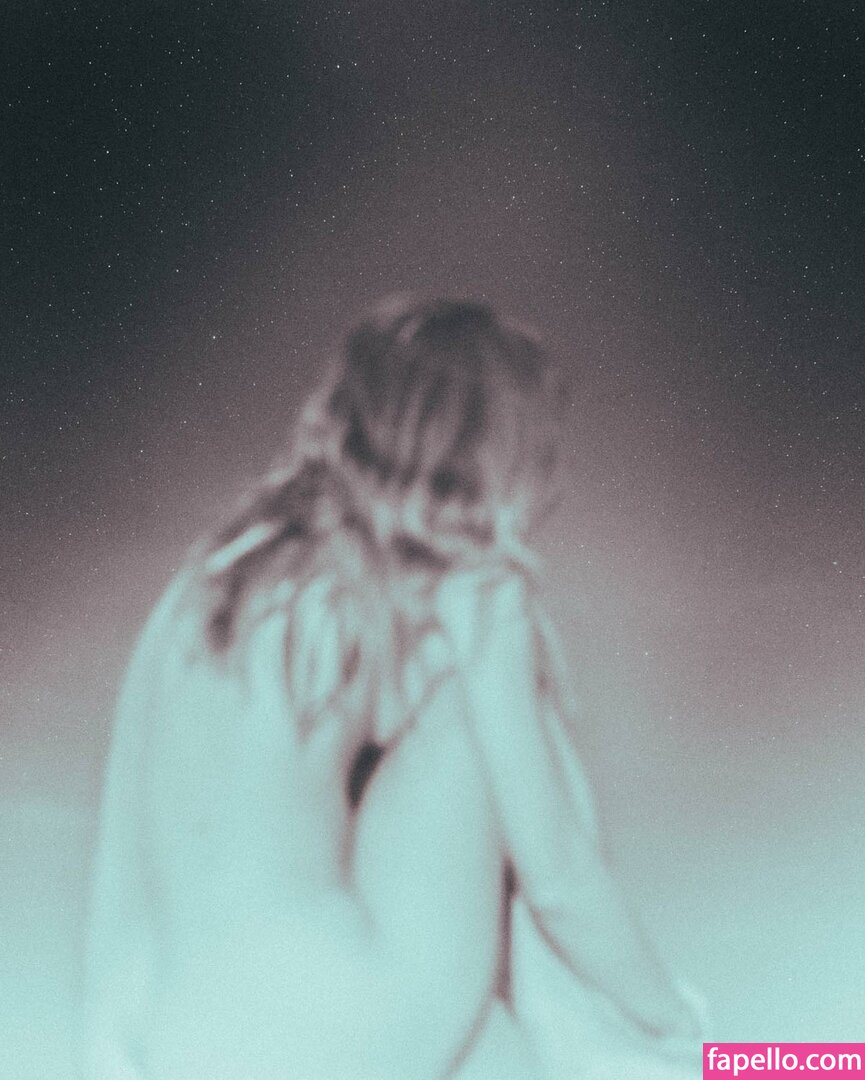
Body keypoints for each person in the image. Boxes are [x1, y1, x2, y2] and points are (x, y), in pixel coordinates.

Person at [83, 295, 705, 1079]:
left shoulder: (211, 578)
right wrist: (673, 1019)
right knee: (494, 721)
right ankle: (622, 1052)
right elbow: (556, 877)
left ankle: (554, 1044)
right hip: (340, 1041)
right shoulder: (471, 601)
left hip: (167, 1045)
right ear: (499, 463)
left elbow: (121, 869)